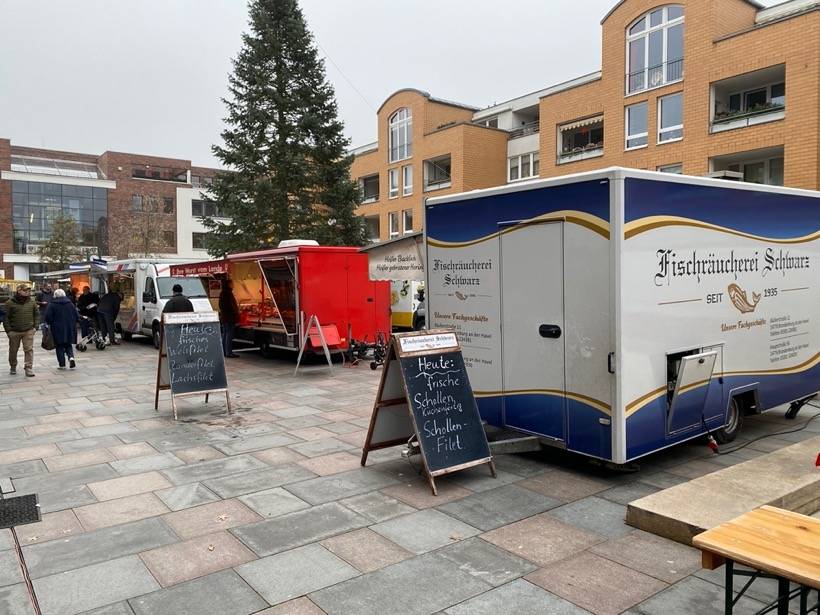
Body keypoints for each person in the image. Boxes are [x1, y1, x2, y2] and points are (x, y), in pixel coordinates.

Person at [2, 285, 38, 376]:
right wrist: (8, 331)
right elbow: (5, 317)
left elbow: (37, 315)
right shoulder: (9, 303)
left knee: (29, 349)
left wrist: (35, 327)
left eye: (28, 290)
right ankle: (13, 366)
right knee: (13, 350)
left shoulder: (32, 302)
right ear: (19, 291)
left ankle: (28, 368)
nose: (27, 292)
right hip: (14, 331)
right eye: (25, 290)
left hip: (28, 330)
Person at [44, 289, 78, 370]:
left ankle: (62, 364)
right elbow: (76, 315)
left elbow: (48, 317)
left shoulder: (52, 304)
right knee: (68, 344)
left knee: (59, 346)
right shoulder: (70, 304)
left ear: (55, 295)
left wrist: (50, 323)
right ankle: (71, 357)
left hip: (57, 328)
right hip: (69, 327)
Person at [218, 279, 240, 358]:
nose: (233, 285)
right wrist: (236, 313)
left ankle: (224, 351)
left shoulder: (222, 293)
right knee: (229, 335)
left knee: (225, 334)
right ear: (228, 284)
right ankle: (228, 352)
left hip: (224, 317)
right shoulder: (228, 293)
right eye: (232, 283)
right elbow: (231, 306)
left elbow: (220, 305)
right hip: (230, 318)